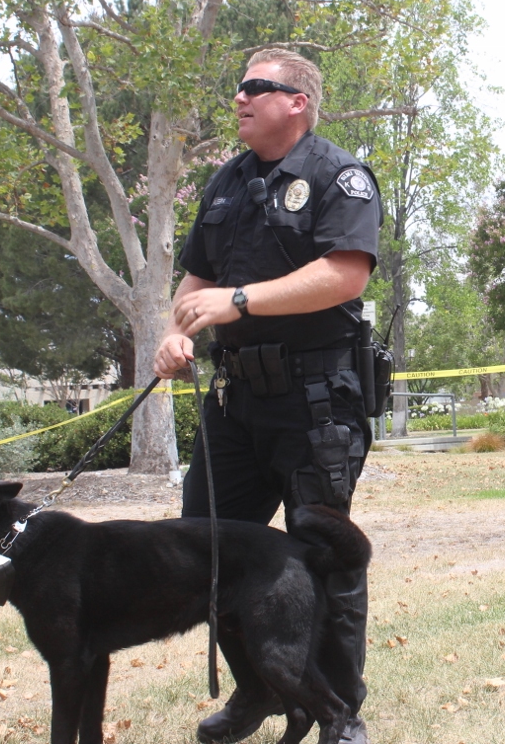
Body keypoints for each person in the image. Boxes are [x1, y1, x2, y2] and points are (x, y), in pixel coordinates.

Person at [154, 48, 380, 744]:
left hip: (315, 401)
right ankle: (258, 690)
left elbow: (345, 275)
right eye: (239, 86)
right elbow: (196, 283)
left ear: (298, 102)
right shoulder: (225, 184)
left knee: (322, 554)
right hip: (235, 407)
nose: (240, 98)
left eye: (256, 87)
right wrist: (176, 332)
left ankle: (339, 713)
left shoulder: (337, 176)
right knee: (209, 552)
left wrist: (239, 300)